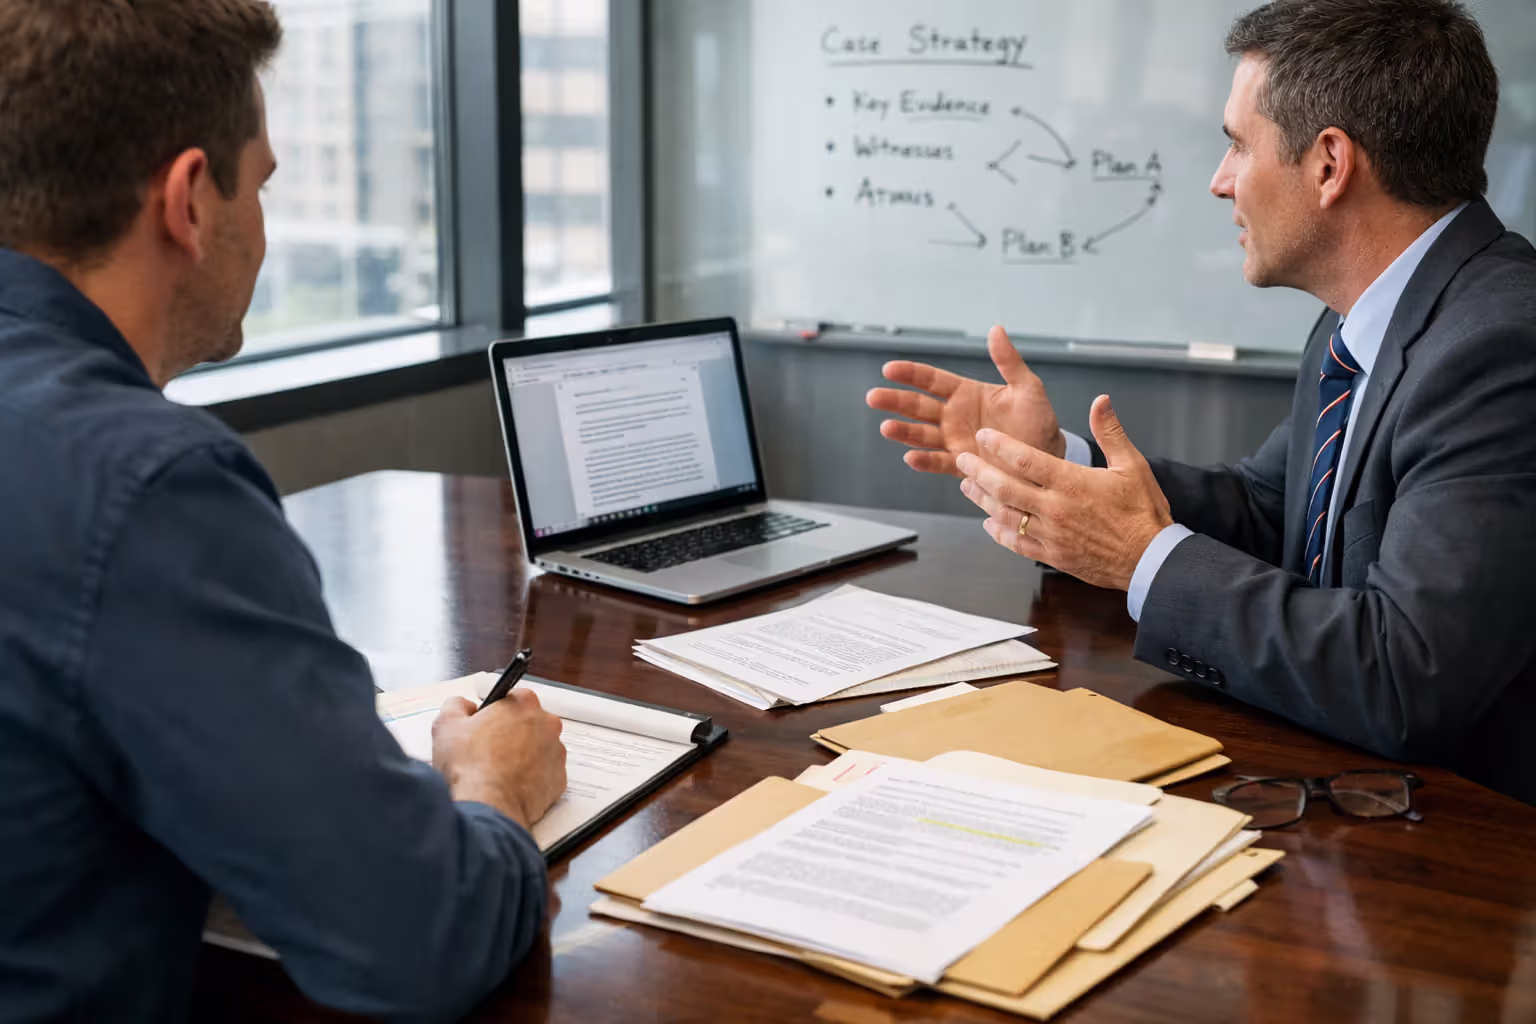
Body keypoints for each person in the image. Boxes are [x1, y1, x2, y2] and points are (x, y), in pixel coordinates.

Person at [0, 2, 568, 1021]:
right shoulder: (146, 487)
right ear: (189, 200)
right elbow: (417, 939)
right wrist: (494, 787)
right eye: (259, 182)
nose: (263, 221)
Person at [868, 0, 1536, 805]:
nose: (1220, 181)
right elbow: (1269, 509)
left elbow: (1404, 677)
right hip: (1339, 783)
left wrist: (1141, 557)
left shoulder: (1499, 345)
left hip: (1468, 847)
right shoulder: (1363, 312)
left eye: (1236, 144)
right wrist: (1060, 471)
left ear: (1329, 164)